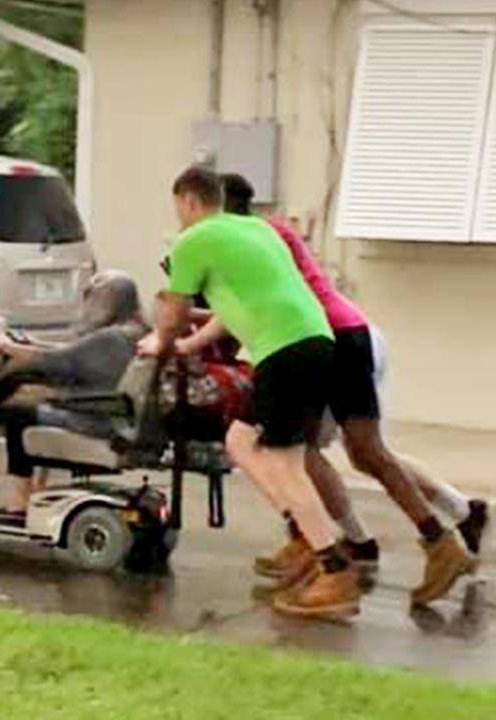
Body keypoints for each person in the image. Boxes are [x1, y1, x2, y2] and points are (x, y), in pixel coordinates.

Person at [198, 173, 483, 606]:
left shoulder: (252, 240)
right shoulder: (265, 234)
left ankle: (339, 548)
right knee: (343, 451)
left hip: (327, 338)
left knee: (310, 449)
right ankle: (422, 539)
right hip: (339, 334)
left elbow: (269, 304)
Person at [139, 166, 359, 619]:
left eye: (178, 207)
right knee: (240, 440)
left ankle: (333, 569)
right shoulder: (256, 229)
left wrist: (161, 342)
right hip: (311, 340)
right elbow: (236, 305)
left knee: (284, 463)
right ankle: (305, 534)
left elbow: (173, 312)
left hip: (285, 350)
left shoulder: (192, 241)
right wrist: (188, 345)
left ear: (188, 201)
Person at [0, 270, 150, 516]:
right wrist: (27, 344)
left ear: (107, 301)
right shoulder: (137, 333)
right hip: (117, 417)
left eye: (92, 298)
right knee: (36, 403)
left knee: (17, 415)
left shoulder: (111, 339)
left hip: (94, 420)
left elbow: (56, 360)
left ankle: (19, 502)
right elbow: (72, 353)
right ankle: (37, 491)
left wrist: (7, 347)